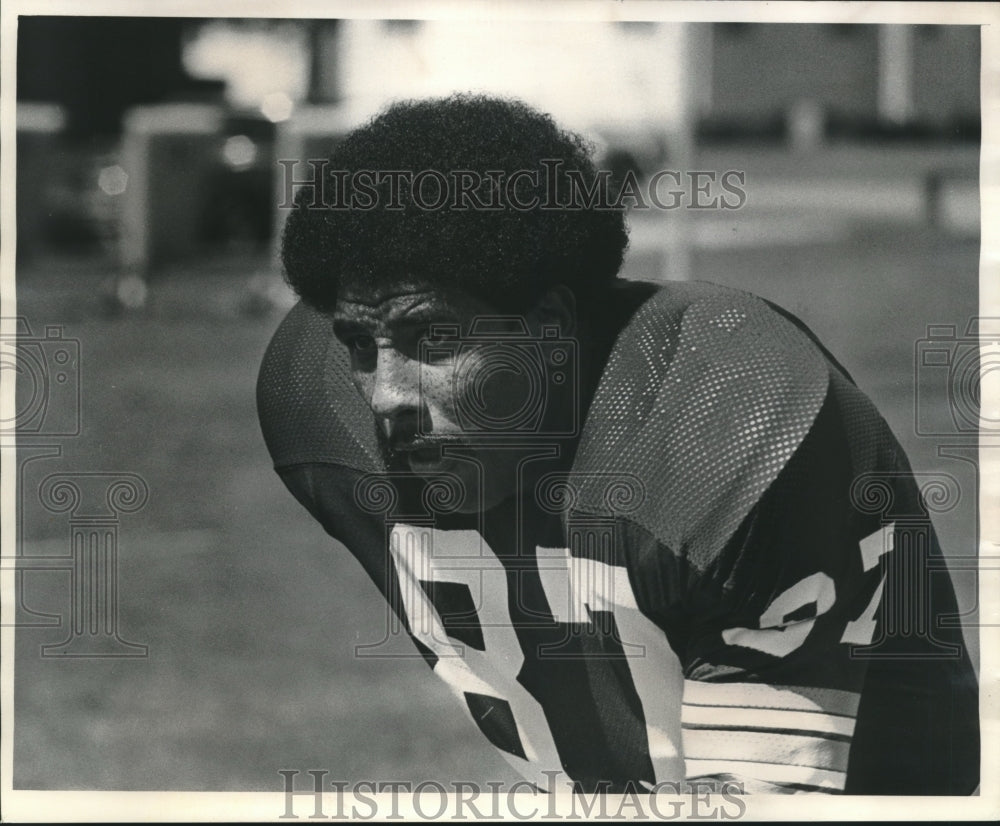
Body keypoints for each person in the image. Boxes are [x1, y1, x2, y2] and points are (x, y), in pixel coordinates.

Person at [257, 94, 979, 795]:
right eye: (359, 344)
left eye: (434, 337)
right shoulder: (317, 401)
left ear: (549, 327)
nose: (386, 396)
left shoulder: (723, 412)